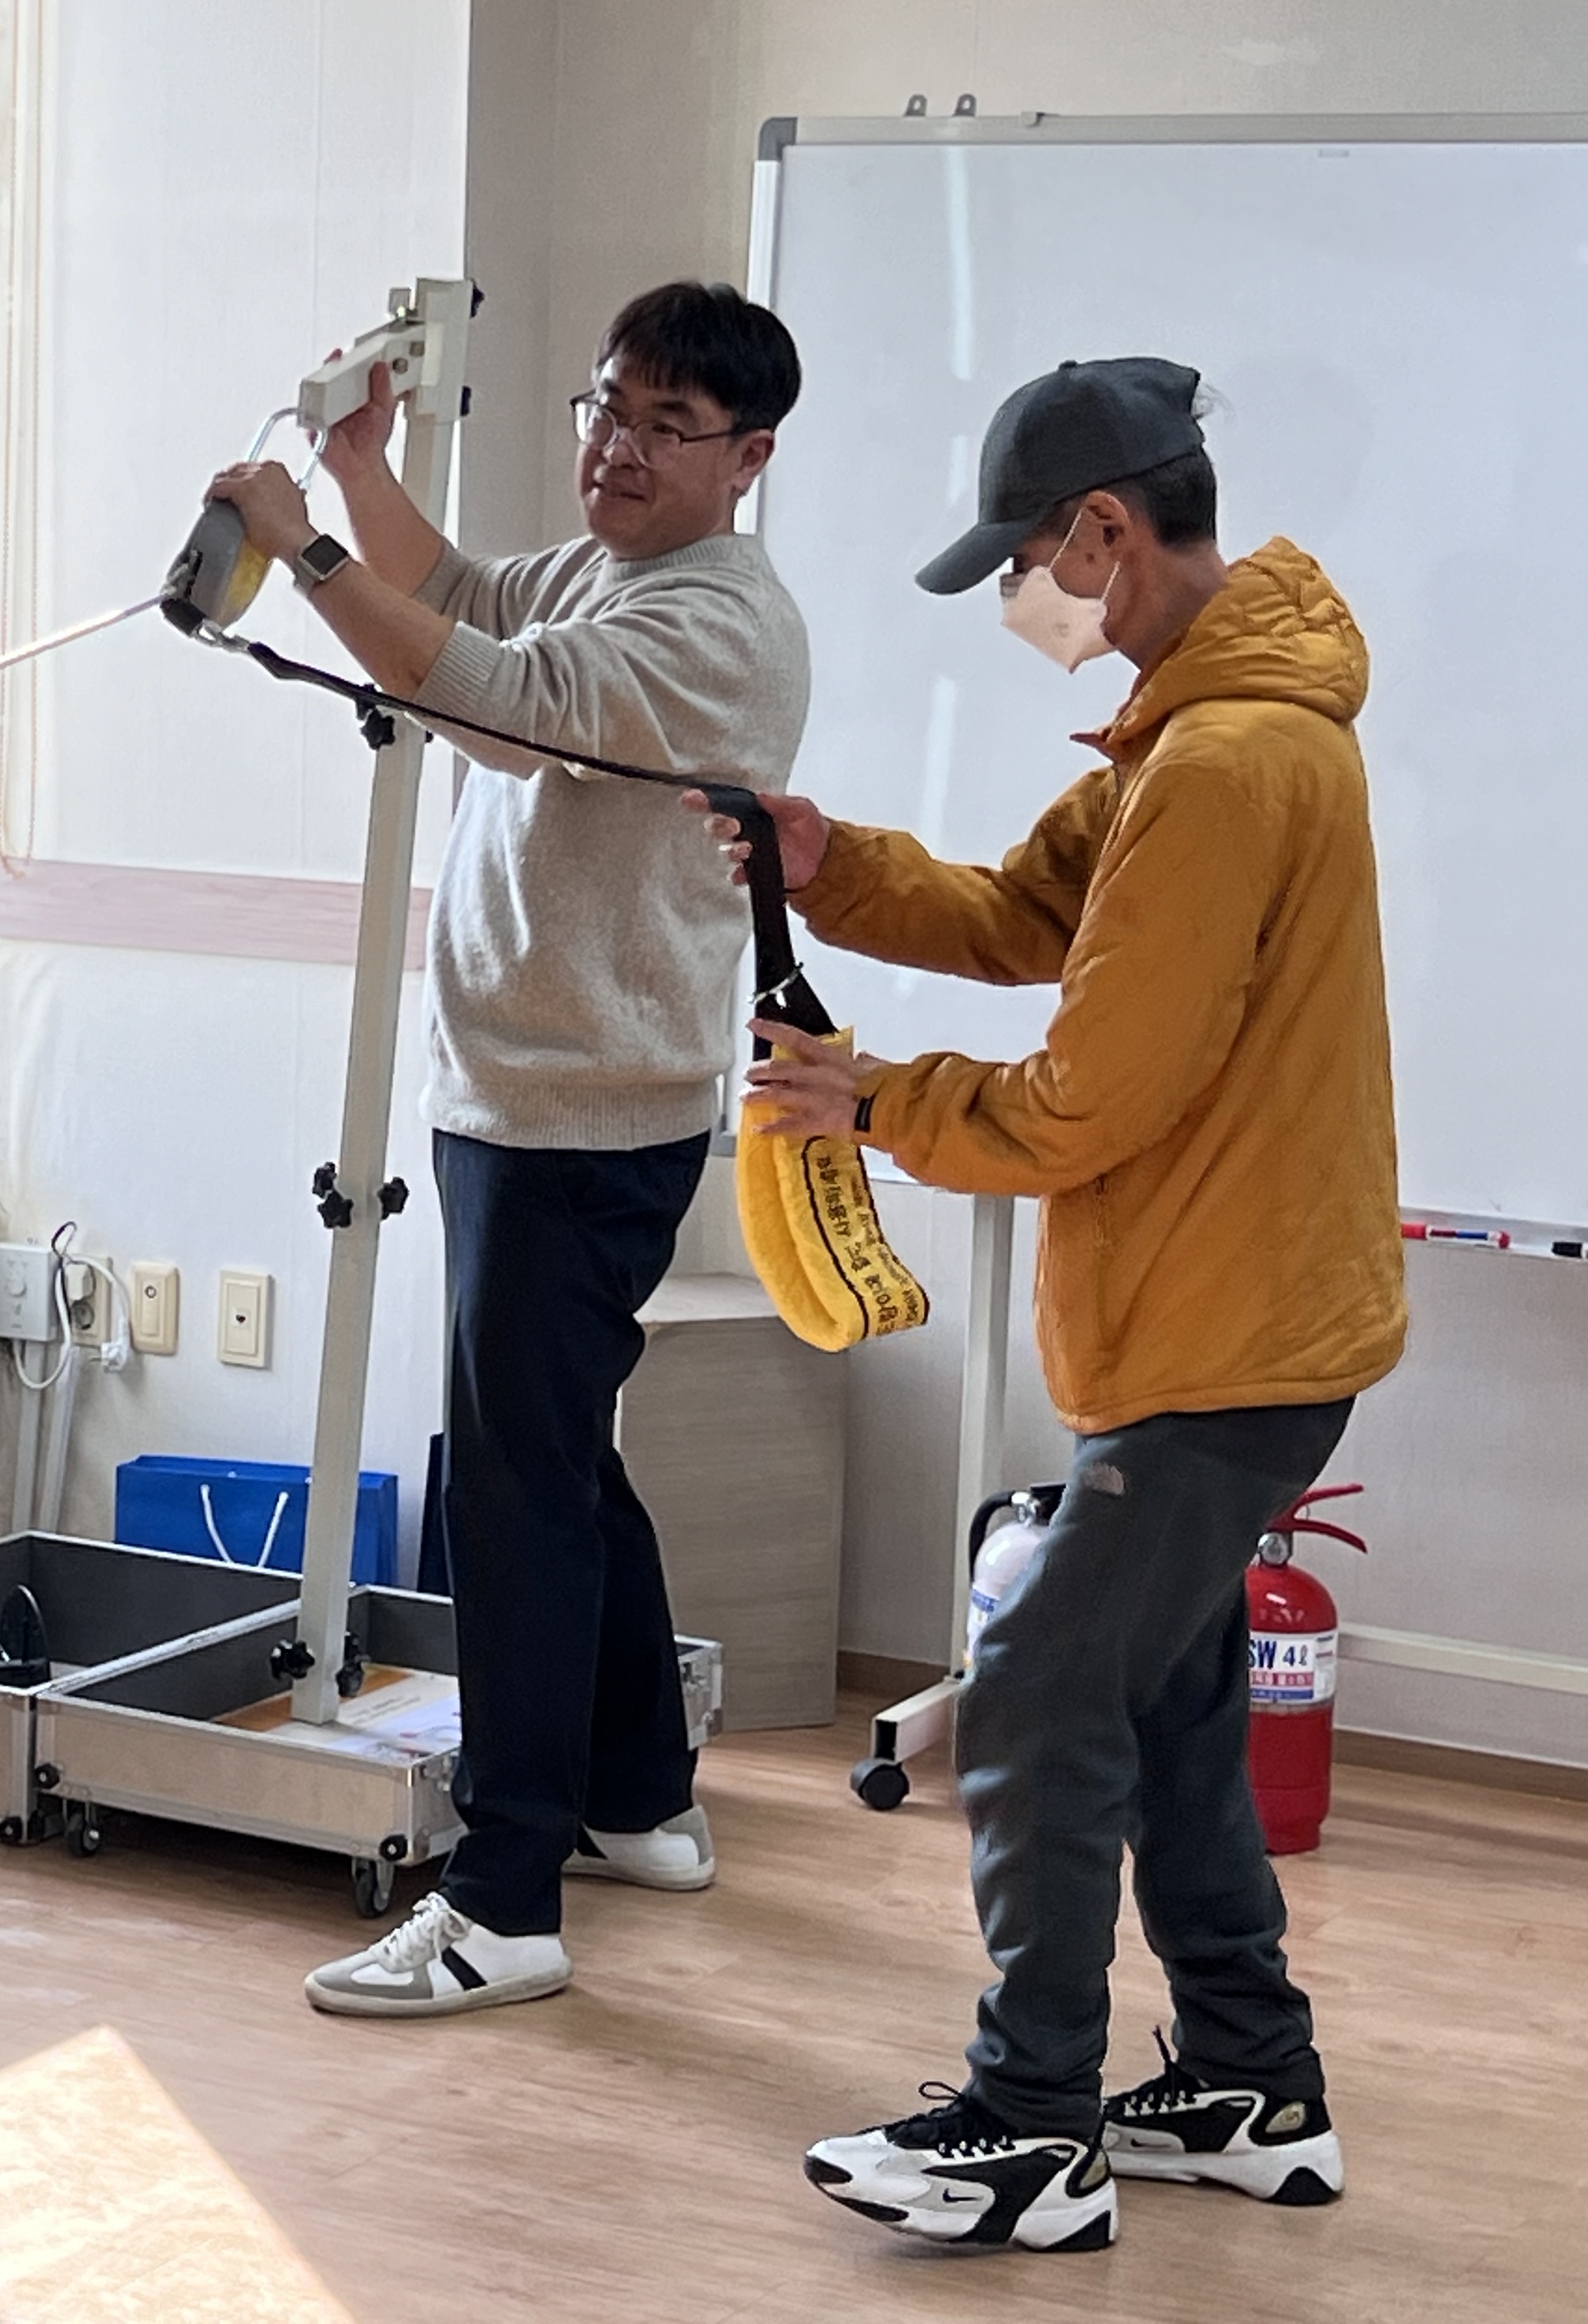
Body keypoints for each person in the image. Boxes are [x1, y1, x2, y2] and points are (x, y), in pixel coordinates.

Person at [723, 359, 1404, 2251]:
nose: (1026, 597)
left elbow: (1094, 1097)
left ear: (1107, 528)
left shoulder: (1226, 763)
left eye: (1030, 559)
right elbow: (1029, 919)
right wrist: (829, 866)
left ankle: (1030, 2127)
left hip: (1225, 1338)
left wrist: (873, 1100)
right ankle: (1253, 2084)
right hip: (1230, 1324)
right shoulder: (1186, 736)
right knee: (1163, 1699)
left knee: (1030, 1687)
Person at [204, 281, 812, 2017]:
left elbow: (487, 696)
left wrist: (306, 552)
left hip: (578, 1116)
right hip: (537, 1099)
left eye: (668, 426)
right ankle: (640, 1799)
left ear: (749, 458)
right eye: (607, 407)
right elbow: (467, 600)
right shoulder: (609, 569)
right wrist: (358, 470)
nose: (618, 448)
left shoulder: (716, 624)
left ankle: (504, 1900)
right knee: (556, 1461)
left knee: (515, 1492)